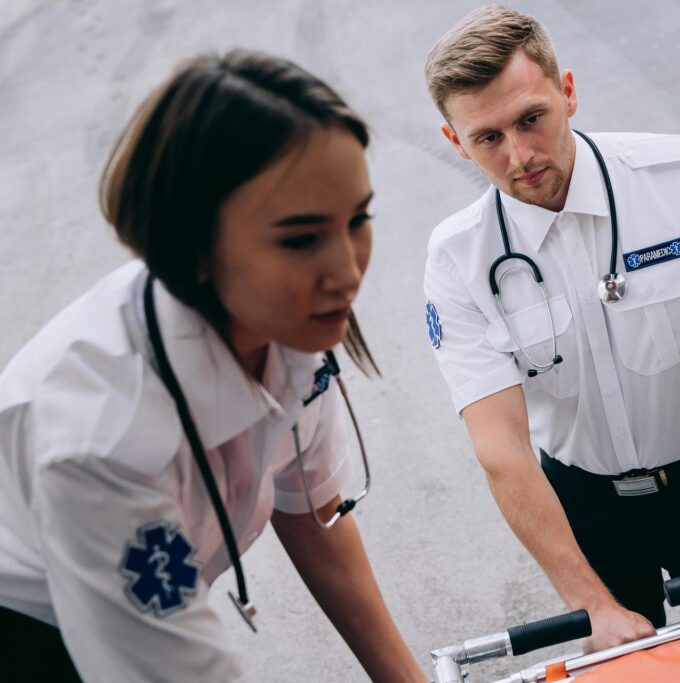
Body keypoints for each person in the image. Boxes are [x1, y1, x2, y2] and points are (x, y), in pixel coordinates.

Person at [0, 50, 424, 682]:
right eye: (301, 239)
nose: (348, 271)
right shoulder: (101, 438)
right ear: (193, 247)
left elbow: (311, 516)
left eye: (358, 219)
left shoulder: (288, 327)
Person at [422, 5, 680, 651]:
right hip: (583, 507)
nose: (520, 154)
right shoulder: (458, 259)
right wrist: (589, 601)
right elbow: (500, 447)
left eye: (532, 118)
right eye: (488, 137)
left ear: (568, 92)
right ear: (455, 142)